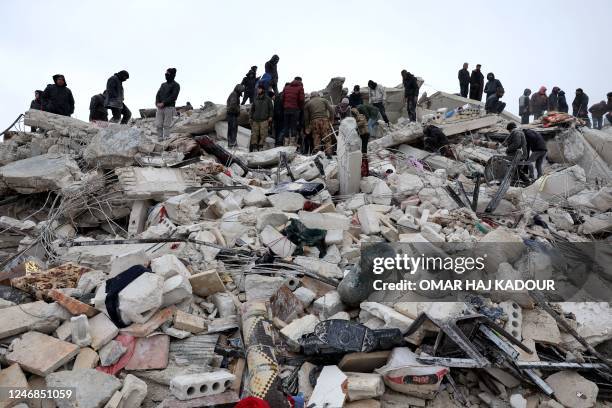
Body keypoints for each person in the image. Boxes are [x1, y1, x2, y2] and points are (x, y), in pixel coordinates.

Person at [304, 91, 334, 157]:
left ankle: (318, 154)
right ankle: (329, 153)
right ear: (318, 95)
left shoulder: (308, 103)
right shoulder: (324, 100)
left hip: (314, 122)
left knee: (316, 138)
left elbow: (306, 117)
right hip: (324, 120)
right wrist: (331, 119)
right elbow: (331, 110)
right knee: (327, 137)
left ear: (311, 96)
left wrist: (307, 127)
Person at [155, 68, 180, 140]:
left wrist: (164, 103)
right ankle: (159, 138)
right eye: (165, 74)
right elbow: (158, 94)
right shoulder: (163, 85)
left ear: (172, 75)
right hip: (160, 108)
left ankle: (166, 138)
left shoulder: (176, 85)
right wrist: (157, 103)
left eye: (168, 74)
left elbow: (173, 96)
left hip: (169, 107)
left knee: (166, 125)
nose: (166, 75)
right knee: (158, 124)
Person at [281, 77, 305, 146]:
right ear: (300, 81)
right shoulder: (300, 88)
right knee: (293, 127)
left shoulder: (286, 87)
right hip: (295, 110)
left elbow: (282, 98)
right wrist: (300, 108)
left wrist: (285, 106)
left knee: (286, 126)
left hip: (286, 110)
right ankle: (292, 143)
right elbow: (301, 100)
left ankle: (286, 142)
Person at [249, 84, 273, 152]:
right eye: (257, 89)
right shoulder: (255, 99)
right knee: (254, 134)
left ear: (263, 90)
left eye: (259, 89)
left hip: (264, 120)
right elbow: (252, 109)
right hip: (255, 120)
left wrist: (270, 116)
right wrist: (250, 117)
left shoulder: (268, 99)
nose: (258, 90)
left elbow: (271, 109)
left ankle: (261, 147)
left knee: (263, 134)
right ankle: (254, 147)